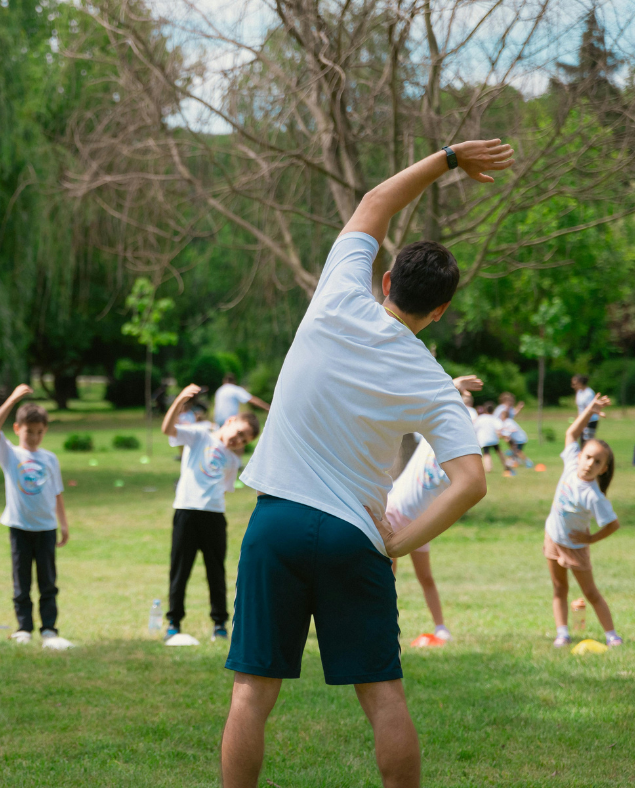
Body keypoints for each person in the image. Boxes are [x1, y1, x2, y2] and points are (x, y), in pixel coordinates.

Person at [222, 140, 508, 788]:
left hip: (277, 523)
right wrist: (398, 542)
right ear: (440, 311)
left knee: (251, 694)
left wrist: (450, 158)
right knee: (383, 697)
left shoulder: (336, 296)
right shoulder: (432, 380)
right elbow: (471, 482)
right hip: (355, 536)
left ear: (385, 281)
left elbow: (376, 202)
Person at [385, 376, 483, 644]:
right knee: (387, 578)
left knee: (425, 577)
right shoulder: (431, 435)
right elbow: (434, 399)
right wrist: (456, 384)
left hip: (422, 524)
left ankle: (440, 627)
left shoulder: (463, 459)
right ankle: (386, 628)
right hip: (393, 513)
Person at [161, 383, 259, 642]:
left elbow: (224, 488)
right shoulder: (199, 436)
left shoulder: (233, 460)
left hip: (214, 516)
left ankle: (220, 623)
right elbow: (168, 429)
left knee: (215, 571)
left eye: (244, 440)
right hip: (186, 510)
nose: (238, 441)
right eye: (239, 433)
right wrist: (180, 400)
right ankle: (174, 621)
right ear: (230, 421)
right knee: (180, 569)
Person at [0, 384, 71, 649]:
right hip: (20, 527)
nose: (34, 437)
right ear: (17, 429)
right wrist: (12, 399)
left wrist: (63, 524)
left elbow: (57, 492)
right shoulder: (10, 454)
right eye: (29, 431)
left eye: (39, 432)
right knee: (21, 581)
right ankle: (24, 628)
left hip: (46, 528)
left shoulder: (50, 459)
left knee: (48, 582)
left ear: (45, 431)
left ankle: (49, 629)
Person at [545, 393, 622, 649]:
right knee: (559, 587)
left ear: (603, 469)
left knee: (590, 593)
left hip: (575, 546)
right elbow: (571, 433)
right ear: (580, 456)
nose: (590, 463)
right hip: (553, 537)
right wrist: (590, 410)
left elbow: (613, 524)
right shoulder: (571, 464)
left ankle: (612, 636)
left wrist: (590, 538)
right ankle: (562, 634)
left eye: (597, 462)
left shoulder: (594, 495)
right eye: (588, 457)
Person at [473, 403, 511, 475]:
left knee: (486, 453)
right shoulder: (494, 418)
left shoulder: (480, 418)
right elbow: (500, 427)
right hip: (493, 438)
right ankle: (506, 465)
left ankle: (488, 468)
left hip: (483, 439)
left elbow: (475, 428)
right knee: (499, 452)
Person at [572, 374, 598, 443]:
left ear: (580, 383)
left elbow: (590, 408)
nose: (573, 386)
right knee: (581, 440)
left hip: (590, 420)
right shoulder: (579, 392)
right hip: (582, 420)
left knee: (587, 441)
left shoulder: (589, 393)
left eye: (574, 384)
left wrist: (585, 420)